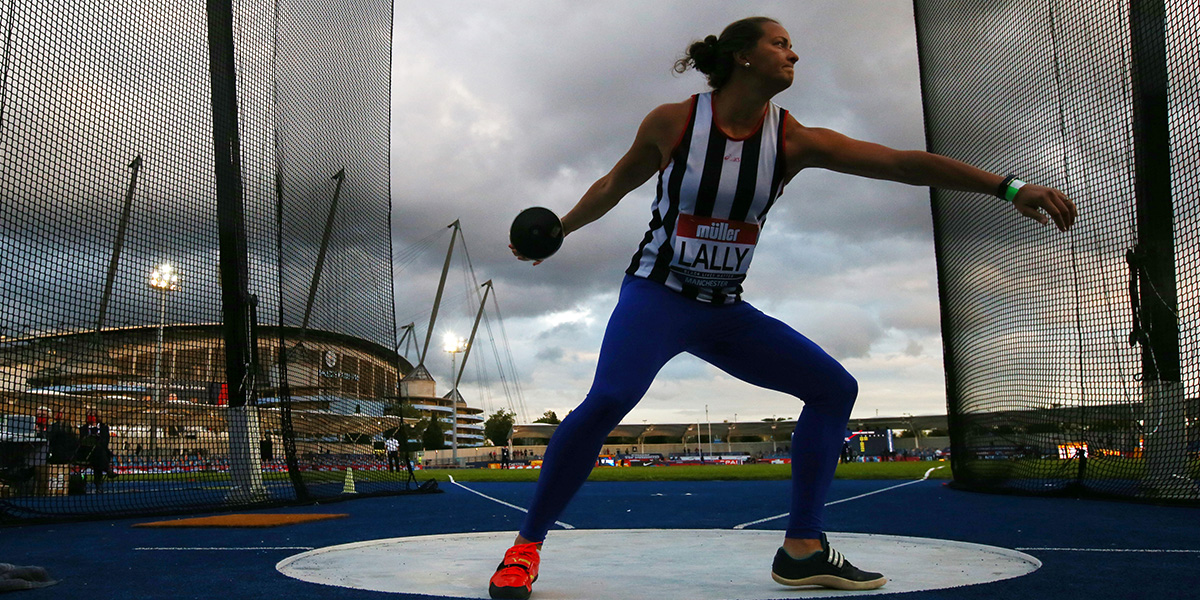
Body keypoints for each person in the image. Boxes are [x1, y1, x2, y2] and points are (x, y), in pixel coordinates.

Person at [490, 16, 1076, 600]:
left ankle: (802, 549)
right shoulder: (674, 122)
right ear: (743, 56)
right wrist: (561, 229)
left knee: (832, 389)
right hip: (656, 297)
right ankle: (525, 548)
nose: (794, 54)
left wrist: (1007, 187)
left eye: (791, 46)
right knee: (611, 399)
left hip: (724, 311)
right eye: (781, 44)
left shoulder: (792, 140)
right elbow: (614, 182)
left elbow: (901, 163)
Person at [76, 408, 113, 493]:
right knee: (99, 454)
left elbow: (105, 442)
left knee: (99, 453)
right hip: (86, 454)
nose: (90, 417)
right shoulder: (83, 429)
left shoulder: (104, 428)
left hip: (99, 453)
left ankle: (98, 482)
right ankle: (107, 469)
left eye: (92, 415)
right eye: (89, 415)